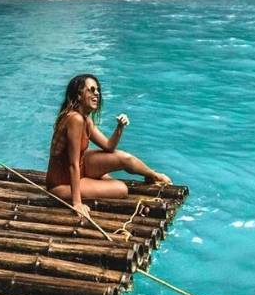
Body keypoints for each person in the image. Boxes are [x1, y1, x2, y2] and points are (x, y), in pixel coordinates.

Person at [45, 73, 171, 218]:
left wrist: (119, 127)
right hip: (61, 185)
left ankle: (153, 175)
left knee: (125, 158)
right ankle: (93, 182)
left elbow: (109, 146)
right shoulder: (75, 119)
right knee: (121, 189)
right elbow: (72, 164)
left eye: (97, 90)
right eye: (91, 90)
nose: (97, 93)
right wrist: (77, 203)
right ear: (79, 95)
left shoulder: (86, 120)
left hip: (83, 167)